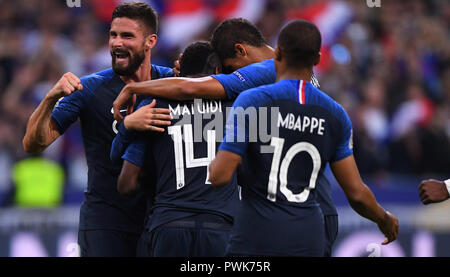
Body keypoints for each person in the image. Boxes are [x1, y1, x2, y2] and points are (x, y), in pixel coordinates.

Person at [113, 17, 338, 257]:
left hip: (294, 211)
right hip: (306, 202)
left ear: (241, 50)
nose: (226, 78)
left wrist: (136, 88)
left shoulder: (268, 70)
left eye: (230, 69)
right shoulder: (290, 78)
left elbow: (192, 88)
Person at [209, 19, 399, 256]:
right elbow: (357, 193)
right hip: (309, 232)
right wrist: (384, 218)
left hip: (256, 232)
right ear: (318, 59)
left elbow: (220, 175)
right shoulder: (336, 114)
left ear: (277, 53)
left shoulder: (251, 100)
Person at [22, 2, 173, 257]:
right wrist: (50, 98)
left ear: (150, 41)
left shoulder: (173, 84)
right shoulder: (90, 88)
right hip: (105, 223)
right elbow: (33, 144)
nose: (116, 43)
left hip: (158, 221)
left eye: (127, 36)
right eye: (113, 35)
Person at [112, 41, 239, 257]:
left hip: (169, 224)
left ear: (179, 72)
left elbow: (126, 183)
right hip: (220, 226)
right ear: (218, 71)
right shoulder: (237, 106)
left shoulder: (153, 107)